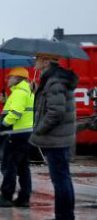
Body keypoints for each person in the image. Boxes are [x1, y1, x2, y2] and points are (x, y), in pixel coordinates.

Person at [29, 55, 78, 220]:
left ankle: (64, 216)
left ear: (46, 62)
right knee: (63, 178)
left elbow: (55, 112)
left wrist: (39, 130)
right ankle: (65, 215)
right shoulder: (53, 80)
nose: (34, 61)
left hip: (56, 138)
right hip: (59, 138)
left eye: (37, 59)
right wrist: (37, 91)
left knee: (60, 180)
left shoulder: (54, 82)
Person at [0, 67, 35, 208]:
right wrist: (5, 101)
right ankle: (24, 198)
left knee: (9, 167)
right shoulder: (27, 91)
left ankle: (6, 197)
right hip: (26, 134)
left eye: (10, 77)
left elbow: (16, 113)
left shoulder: (19, 93)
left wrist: (4, 123)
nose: (7, 80)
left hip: (15, 135)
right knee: (23, 168)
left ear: (17, 78)